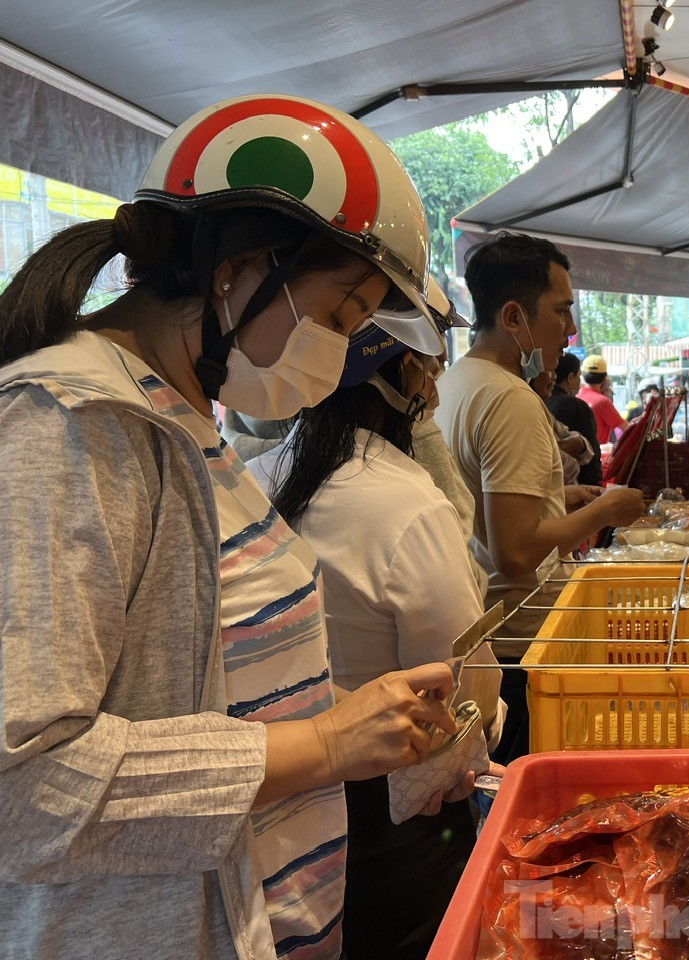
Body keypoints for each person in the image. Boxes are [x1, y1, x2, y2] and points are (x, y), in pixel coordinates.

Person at [0, 94, 462, 960]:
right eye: (336, 314)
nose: (335, 351)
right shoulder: (69, 425)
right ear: (238, 269)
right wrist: (327, 742)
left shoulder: (182, 418)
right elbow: (24, 790)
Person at [246, 319, 503, 959]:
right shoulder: (406, 504)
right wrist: (488, 727)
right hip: (391, 813)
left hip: (273, 799)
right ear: (405, 374)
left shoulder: (251, 478)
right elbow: (466, 679)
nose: (436, 390)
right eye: (430, 367)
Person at [435, 232, 645, 763]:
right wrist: (604, 510)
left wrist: (561, 496)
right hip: (520, 642)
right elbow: (516, 550)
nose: (570, 329)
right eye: (561, 310)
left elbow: (481, 505)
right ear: (514, 317)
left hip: (489, 635)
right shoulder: (511, 399)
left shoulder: (456, 383)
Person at [545, 352, 602, 485]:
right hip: (575, 488)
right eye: (578, 376)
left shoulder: (540, 402)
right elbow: (592, 459)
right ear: (571, 377)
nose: (579, 382)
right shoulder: (576, 405)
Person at [531, 369, 595, 484]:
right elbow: (563, 467)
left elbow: (572, 437)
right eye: (547, 369)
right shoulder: (574, 404)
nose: (554, 376)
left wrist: (580, 442)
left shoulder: (543, 409)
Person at [578, 353, 626, 444]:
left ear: (583, 375)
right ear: (604, 378)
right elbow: (626, 428)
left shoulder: (576, 398)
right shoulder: (602, 402)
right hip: (598, 454)